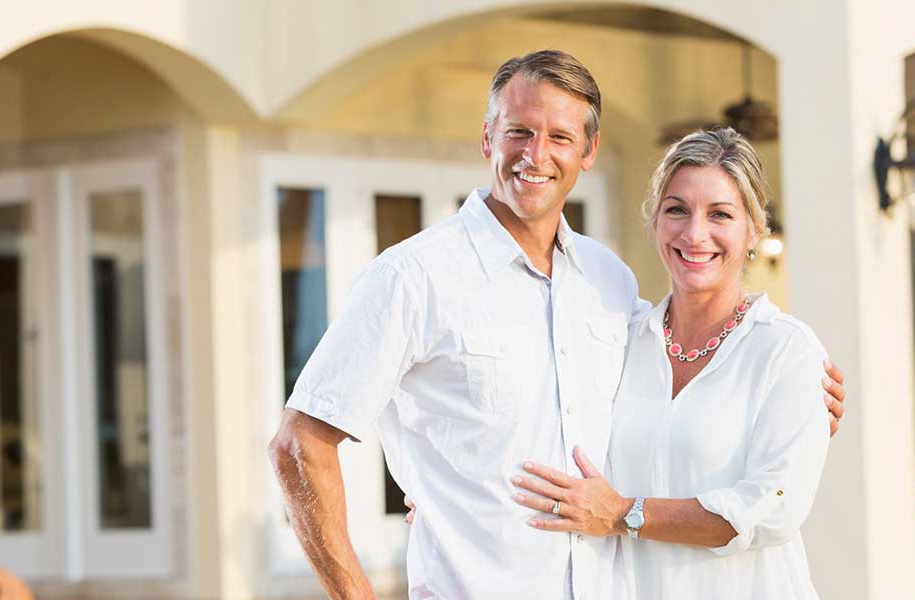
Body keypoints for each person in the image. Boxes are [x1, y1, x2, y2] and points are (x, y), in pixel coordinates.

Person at [268, 50, 845, 600]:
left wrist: (794, 409)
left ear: (588, 151)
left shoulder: (609, 285)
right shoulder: (412, 276)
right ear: (488, 135)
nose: (536, 154)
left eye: (561, 137)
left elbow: (695, 427)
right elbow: (299, 446)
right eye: (518, 130)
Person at [511, 128, 832, 598]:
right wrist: (451, 492)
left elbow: (772, 508)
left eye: (720, 214)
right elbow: (535, 413)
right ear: (656, 220)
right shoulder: (618, 337)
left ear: (753, 231)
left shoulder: (787, 351)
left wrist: (624, 513)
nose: (694, 233)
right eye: (677, 209)